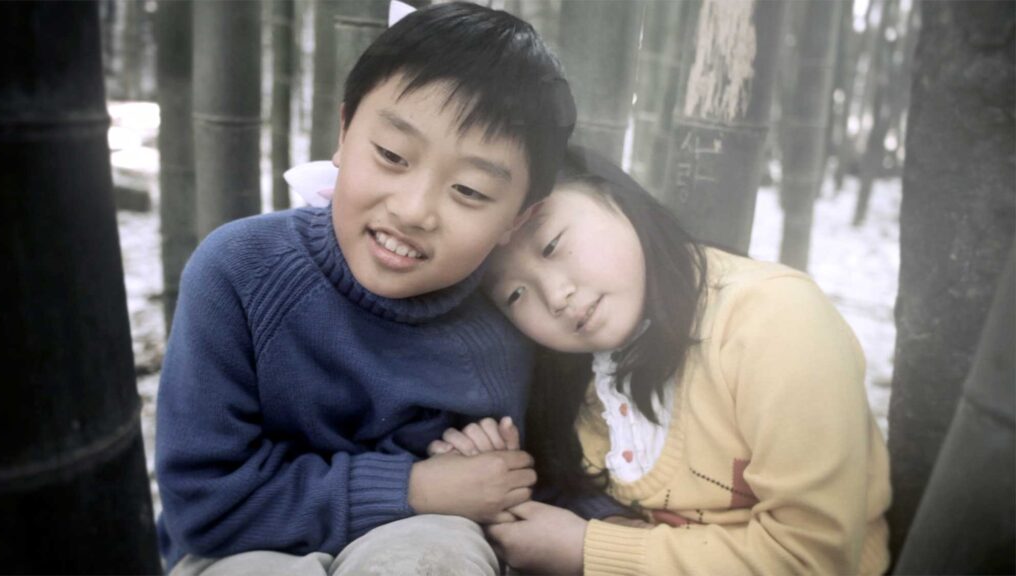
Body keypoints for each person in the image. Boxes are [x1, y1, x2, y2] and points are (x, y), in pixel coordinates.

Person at [154, 5, 627, 575]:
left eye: (470, 191)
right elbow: (205, 505)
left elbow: (548, 483)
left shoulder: (518, 321)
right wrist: (416, 485)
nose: (413, 210)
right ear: (345, 130)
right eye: (392, 156)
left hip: (428, 543)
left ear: (516, 220)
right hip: (240, 551)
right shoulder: (239, 272)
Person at [430, 146, 893, 575]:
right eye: (514, 295)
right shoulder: (582, 379)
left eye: (551, 245)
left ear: (616, 196)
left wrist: (588, 548)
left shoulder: (775, 321)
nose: (555, 296)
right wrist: (500, 474)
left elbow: (812, 559)